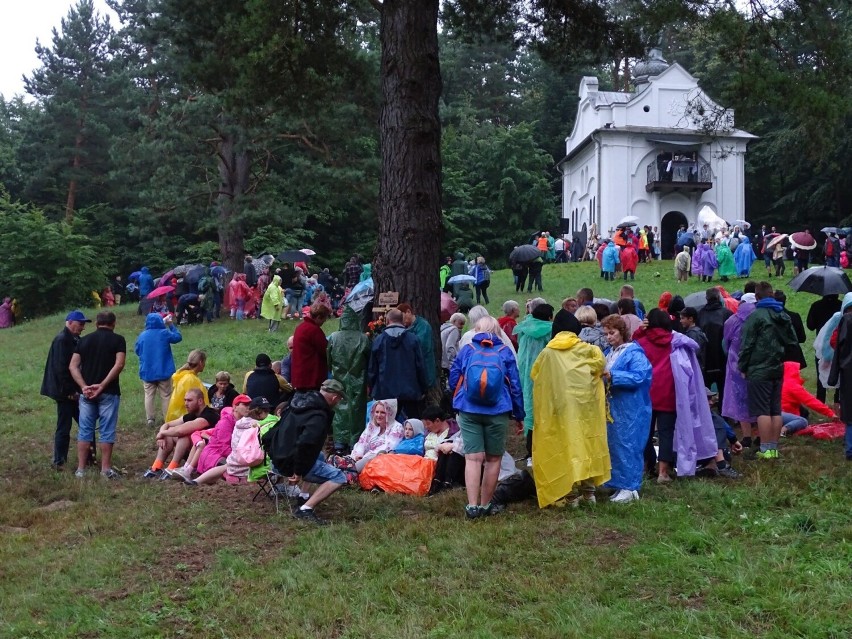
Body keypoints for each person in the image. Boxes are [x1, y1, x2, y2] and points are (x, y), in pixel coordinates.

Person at [449, 316, 524, 519]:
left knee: (473, 459)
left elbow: (454, 377)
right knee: (493, 459)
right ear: (497, 332)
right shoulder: (505, 352)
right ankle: (485, 505)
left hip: (469, 409)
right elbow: (515, 385)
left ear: (476, 330)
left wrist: (458, 400)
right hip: (498, 411)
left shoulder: (467, 350)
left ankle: (471, 507)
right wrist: (519, 415)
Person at [530, 318, 609, 508]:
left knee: (564, 446)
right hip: (586, 409)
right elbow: (600, 366)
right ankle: (589, 493)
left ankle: (570, 494)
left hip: (560, 409)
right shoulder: (589, 350)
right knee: (587, 445)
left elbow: (536, 375)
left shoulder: (547, 353)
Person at [634, 309, 719, 482]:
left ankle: (646, 465)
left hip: (646, 394)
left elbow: (630, 345)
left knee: (645, 433)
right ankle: (663, 472)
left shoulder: (641, 342)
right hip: (668, 394)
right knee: (666, 433)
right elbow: (693, 349)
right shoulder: (676, 341)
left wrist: (640, 330)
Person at [264, 379, 347, 525]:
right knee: (339, 477)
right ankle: (305, 509)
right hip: (289, 465)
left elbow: (272, 432)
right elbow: (306, 444)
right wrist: (298, 471)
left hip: (275, 459)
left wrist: (273, 454)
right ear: (335, 398)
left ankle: (303, 496)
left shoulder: (295, 403)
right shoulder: (318, 415)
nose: (338, 402)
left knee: (320, 455)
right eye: (339, 399)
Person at [739, 281, 799, 460]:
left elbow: (747, 344)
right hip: (777, 367)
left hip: (759, 369)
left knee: (762, 410)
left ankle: (765, 450)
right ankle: (773, 448)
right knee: (775, 409)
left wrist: (743, 366)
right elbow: (793, 341)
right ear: (772, 294)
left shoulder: (756, 316)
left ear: (757, 297)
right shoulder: (783, 315)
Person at [68, 311, 126, 479]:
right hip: (109, 391)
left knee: (84, 430)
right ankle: (105, 469)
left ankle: (80, 469)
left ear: (96, 324)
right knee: (107, 431)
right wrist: (102, 385)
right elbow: (119, 364)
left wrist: (83, 386)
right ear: (113, 323)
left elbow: (73, 366)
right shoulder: (118, 340)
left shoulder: (84, 341)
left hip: (86, 394)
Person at [600, 315, 652, 503]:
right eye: (605, 333)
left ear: (622, 332)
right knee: (615, 444)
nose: (608, 337)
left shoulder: (634, 353)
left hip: (631, 407)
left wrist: (613, 376)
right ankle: (619, 483)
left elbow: (640, 376)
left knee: (629, 445)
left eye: (612, 333)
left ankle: (630, 487)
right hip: (615, 407)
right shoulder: (610, 352)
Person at [42, 310, 91, 470]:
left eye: (84, 324)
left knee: (85, 424)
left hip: (73, 391)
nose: (83, 327)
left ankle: (90, 458)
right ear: (69, 322)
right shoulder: (62, 340)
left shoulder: (74, 339)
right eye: (80, 323)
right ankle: (59, 461)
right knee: (65, 426)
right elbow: (61, 369)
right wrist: (70, 391)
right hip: (64, 392)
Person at [143, 388, 221, 479]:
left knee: (184, 436)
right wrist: (161, 435)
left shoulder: (210, 415)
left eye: (189, 400)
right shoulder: (192, 414)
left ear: (200, 401)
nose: (186, 404)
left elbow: (181, 431)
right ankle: (156, 467)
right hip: (195, 451)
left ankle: (172, 468)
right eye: (185, 400)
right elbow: (167, 424)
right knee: (169, 435)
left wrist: (162, 433)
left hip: (209, 453)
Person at [368, 309, 428, 420]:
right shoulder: (413, 339)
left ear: (387, 320)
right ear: (402, 320)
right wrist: (423, 387)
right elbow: (420, 365)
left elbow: (373, 368)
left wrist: (373, 388)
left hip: (385, 391)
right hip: (410, 390)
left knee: (387, 426)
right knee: (413, 424)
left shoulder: (379, 340)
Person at [513, 303, 554, 465]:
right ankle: (541, 450)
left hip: (524, 373)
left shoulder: (524, 328)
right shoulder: (550, 330)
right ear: (549, 317)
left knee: (529, 410)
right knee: (544, 412)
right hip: (543, 374)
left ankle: (530, 452)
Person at [327, 306, 371, 453]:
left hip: (339, 379)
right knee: (357, 410)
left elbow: (328, 359)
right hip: (359, 379)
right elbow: (369, 359)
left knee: (340, 410)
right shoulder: (363, 338)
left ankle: (339, 441)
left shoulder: (333, 337)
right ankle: (355, 441)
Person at [721, 292, 758, 447]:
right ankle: (761, 436)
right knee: (758, 399)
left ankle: (747, 436)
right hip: (757, 364)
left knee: (740, 399)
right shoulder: (760, 319)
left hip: (736, 365)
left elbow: (725, 343)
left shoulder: (732, 320)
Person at [134, 312, 182, 428]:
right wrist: (171, 325)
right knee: (165, 395)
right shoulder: (164, 333)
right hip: (163, 370)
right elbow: (178, 337)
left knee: (149, 395)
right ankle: (167, 418)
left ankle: (150, 419)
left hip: (147, 372)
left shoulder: (142, 335)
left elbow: (137, 350)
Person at [347, 399, 405, 471]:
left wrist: (365, 457)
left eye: (383, 412)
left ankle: (351, 470)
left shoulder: (397, 427)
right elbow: (362, 442)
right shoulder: (371, 425)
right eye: (377, 412)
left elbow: (388, 447)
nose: (378, 415)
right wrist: (359, 454)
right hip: (363, 458)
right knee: (335, 459)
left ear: (389, 413)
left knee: (372, 457)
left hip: (379, 460)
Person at [697, 288, 733, 403]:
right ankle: (724, 414)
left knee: (704, 390)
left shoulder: (700, 314)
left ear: (706, 298)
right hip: (723, 358)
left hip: (705, 359)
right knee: (724, 389)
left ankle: (705, 414)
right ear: (719, 298)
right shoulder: (727, 314)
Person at [781, 361, 836, 436]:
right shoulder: (793, 385)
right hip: (779, 414)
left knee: (804, 411)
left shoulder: (779, 382)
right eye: (798, 371)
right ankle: (783, 430)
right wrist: (831, 414)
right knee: (802, 421)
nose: (800, 372)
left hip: (768, 412)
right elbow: (811, 401)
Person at [827, 304, 852, 460]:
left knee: (850, 410)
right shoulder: (846, 320)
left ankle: (850, 448)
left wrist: (834, 375)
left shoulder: (846, 320)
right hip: (848, 369)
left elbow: (838, 349)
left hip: (848, 370)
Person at [807, 294, 843, 403]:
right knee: (840, 374)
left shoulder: (816, 306)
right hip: (839, 345)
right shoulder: (841, 306)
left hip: (822, 344)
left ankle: (820, 401)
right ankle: (838, 400)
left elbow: (810, 325)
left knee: (821, 372)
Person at [422, 405, 465, 493]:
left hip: (437, 464)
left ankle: (443, 482)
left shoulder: (454, 432)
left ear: (437, 421)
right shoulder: (428, 433)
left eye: (428, 423)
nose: (426, 427)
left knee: (449, 452)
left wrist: (447, 446)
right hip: (423, 462)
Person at [291, 302, 331, 392]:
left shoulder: (301, 327)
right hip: (311, 377)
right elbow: (326, 350)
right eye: (323, 319)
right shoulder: (314, 330)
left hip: (299, 376)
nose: (324, 322)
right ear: (318, 317)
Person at [398, 303, 437, 392]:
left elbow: (420, 346)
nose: (402, 320)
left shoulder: (423, 326)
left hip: (424, 370)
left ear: (408, 312)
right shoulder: (406, 327)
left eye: (403, 317)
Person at [165, 349, 209, 422]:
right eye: (204, 362)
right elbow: (194, 403)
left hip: (177, 416)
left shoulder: (184, 375)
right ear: (201, 362)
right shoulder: (190, 379)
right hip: (184, 418)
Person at [440, 312, 466, 389]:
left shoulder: (444, 328)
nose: (462, 326)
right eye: (461, 323)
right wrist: (453, 361)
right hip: (447, 361)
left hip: (441, 359)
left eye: (463, 324)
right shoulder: (454, 329)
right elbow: (449, 346)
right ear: (454, 321)